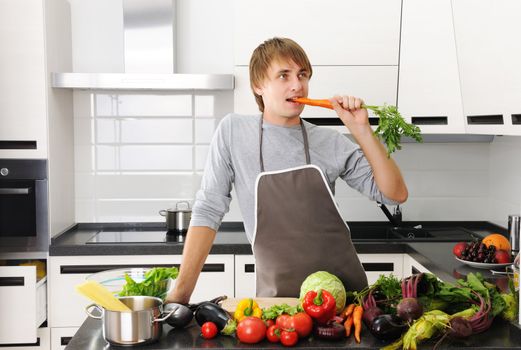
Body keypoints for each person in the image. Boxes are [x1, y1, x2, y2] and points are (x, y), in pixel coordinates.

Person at [165, 37, 408, 303]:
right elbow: (209, 209)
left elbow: (394, 194)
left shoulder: (329, 141)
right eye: (284, 75)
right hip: (277, 304)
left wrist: (361, 129)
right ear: (258, 85)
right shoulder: (233, 132)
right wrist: (180, 293)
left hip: (345, 301)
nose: (297, 84)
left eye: (303, 74)